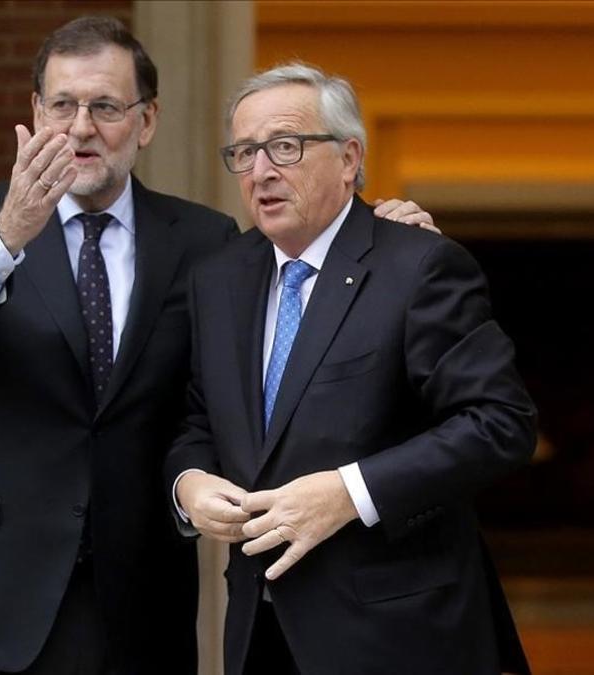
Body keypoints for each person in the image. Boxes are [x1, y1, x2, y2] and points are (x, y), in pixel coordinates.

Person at [0, 17, 435, 674]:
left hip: (140, 595)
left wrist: (380, 229)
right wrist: (9, 233)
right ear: (36, 114)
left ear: (147, 121)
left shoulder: (205, 239)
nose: (82, 127)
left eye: (106, 107)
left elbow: (307, 263)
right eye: (63, 106)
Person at [168, 61, 536, 674]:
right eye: (245, 152)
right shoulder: (219, 278)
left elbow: (500, 422)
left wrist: (350, 492)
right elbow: (200, 419)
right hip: (260, 634)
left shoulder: (418, 265)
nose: (261, 170)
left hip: (399, 637)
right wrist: (189, 485)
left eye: (285, 146)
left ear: (348, 158)